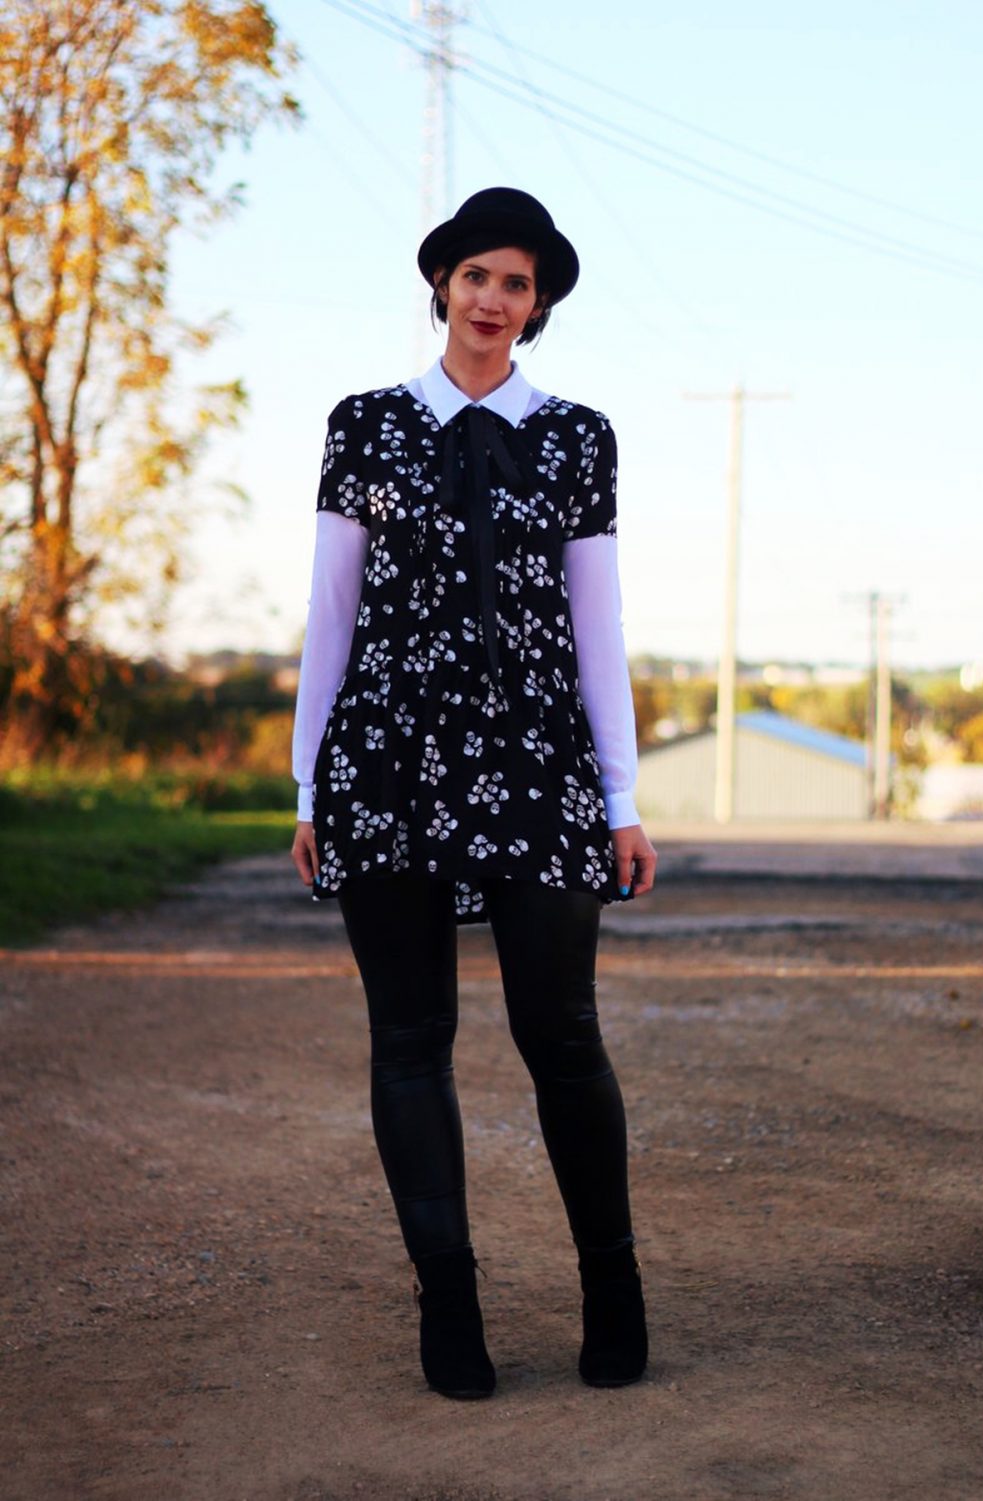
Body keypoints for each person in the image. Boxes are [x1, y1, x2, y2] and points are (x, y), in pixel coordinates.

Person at [290, 187, 657, 1400]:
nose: (493, 299)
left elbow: (597, 629)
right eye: (475, 275)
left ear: (537, 302)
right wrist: (307, 786)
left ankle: (614, 1288)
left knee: (561, 1034)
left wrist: (619, 794)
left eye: (516, 282)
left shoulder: (577, 437)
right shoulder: (366, 425)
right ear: (441, 284)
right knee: (410, 1043)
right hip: (386, 759)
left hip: (539, 763)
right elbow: (331, 613)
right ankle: (448, 1310)